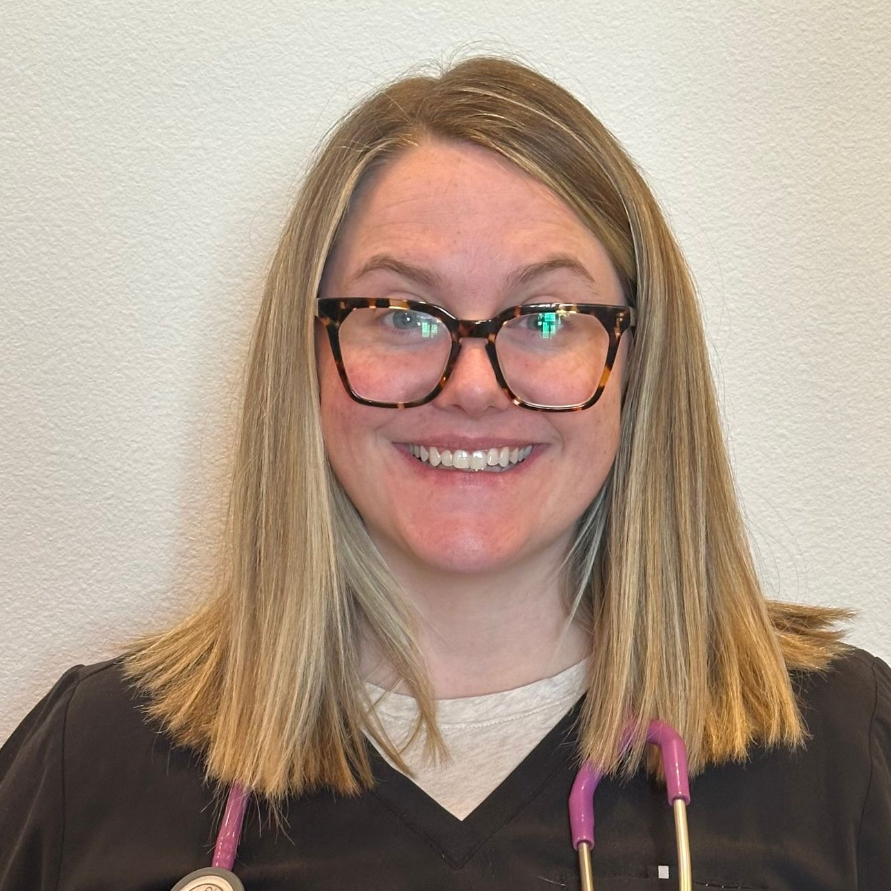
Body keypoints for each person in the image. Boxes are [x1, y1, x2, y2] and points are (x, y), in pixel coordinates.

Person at [1, 56, 888, 891]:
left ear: (640, 365)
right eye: (399, 313)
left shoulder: (848, 754)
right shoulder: (93, 761)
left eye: (544, 316)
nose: (471, 386)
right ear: (301, 357)